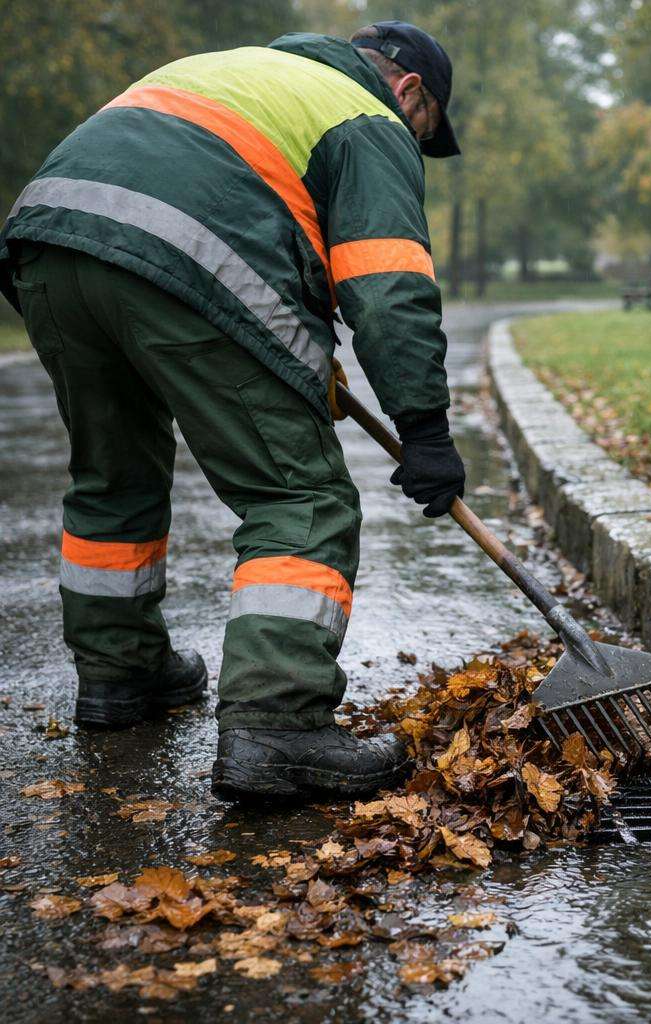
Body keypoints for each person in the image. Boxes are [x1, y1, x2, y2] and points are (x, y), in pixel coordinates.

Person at [0, 22, 465, 801]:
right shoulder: (367, 114)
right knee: (298, 495)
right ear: (411, 91)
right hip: (183, 253)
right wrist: (425, 430)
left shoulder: (229, 71)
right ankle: (276, 726)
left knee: (113, 479)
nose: (416, 144)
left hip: (50, 244)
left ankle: (121, 679)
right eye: (427, 132)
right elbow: (384, 285)